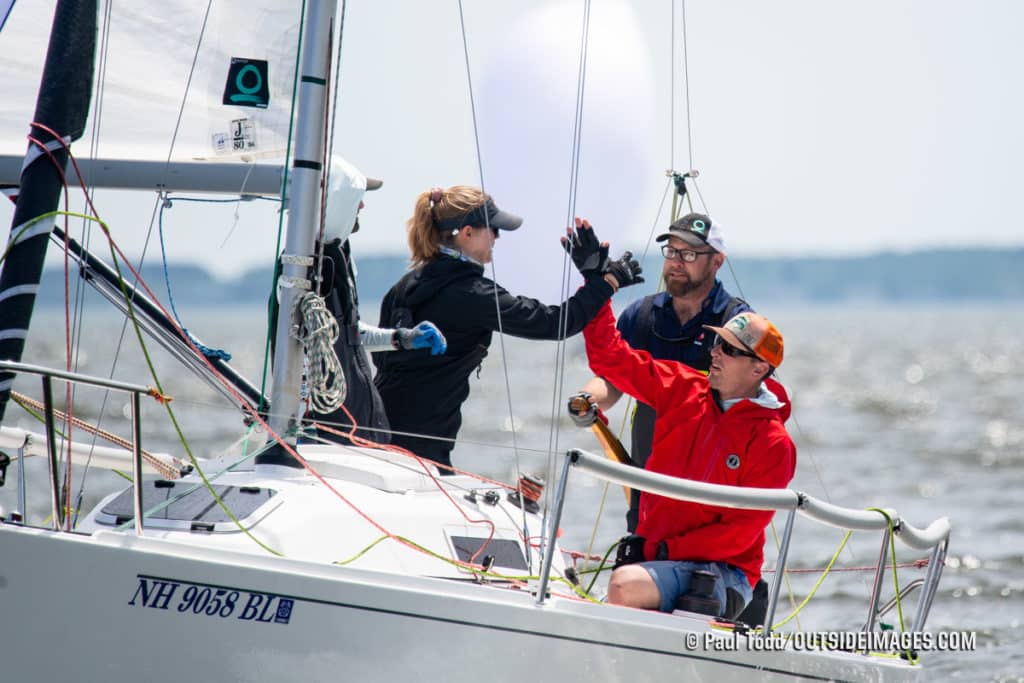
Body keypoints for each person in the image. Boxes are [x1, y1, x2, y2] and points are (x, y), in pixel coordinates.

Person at [373, 184, 644, 469]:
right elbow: (555, 323)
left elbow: (381, 356)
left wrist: (594, 280)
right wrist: (606, 281)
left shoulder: (405, 285)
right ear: (467, 233)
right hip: (420, 447)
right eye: (494, 230)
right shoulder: (472, 293)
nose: (497, 238)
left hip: (376, 426)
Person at [574, 303, 796, 619]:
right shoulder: (681, 387)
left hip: (724, 570)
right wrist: (598, 288)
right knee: (622, 586)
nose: (715, 353)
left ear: (759, 369)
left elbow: (741, 533)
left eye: (730, 350)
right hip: (659, 557)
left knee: (623, 585)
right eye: (718, 343)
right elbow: (611, 359)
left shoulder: (774, 444)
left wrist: (663, 550)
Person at [574, 212, 751, 531]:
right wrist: (588, 400)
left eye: (690, 253)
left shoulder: (737, 323)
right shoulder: (641, 316)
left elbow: (754, 403)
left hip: (710, 494)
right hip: (648, 485)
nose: (677, 262)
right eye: (671, 251)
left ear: (717, 262)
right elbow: (614, 376)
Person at [269, 158, 447, 445]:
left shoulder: (336, 258)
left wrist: (401, 338)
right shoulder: (301, 269)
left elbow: (345, 335)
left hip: (355, 427)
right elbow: (304, 341)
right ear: (336, 200)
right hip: (326, 436)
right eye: (357, 197)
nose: (362, 206)